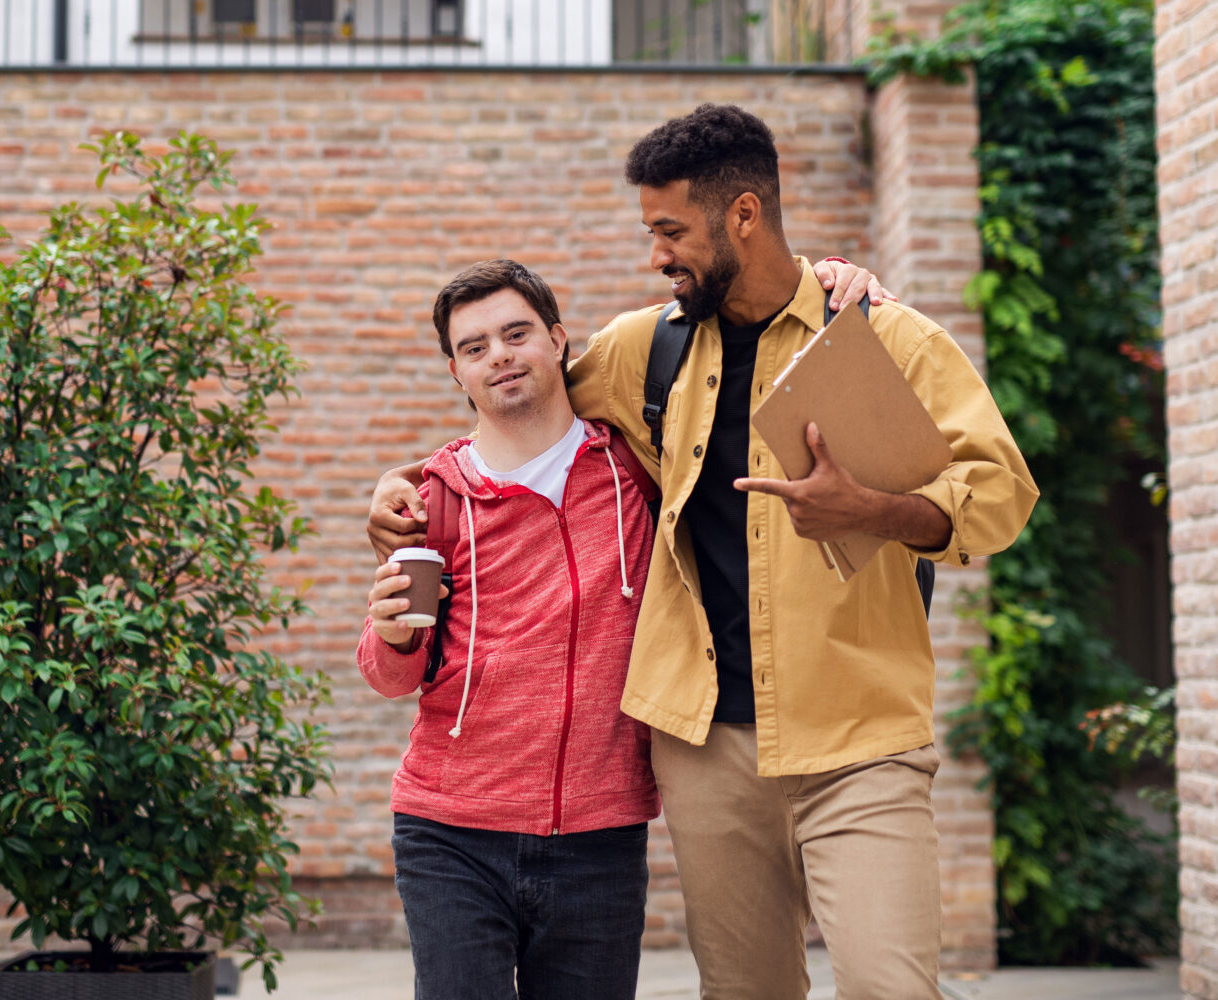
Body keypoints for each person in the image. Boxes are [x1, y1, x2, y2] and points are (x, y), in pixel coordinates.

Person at [368, 104, 1039, 1000]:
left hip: (858, 735)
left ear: (744, 216)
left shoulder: (883, 337)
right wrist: (406, 482)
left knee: (892, 986)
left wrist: (870, 508)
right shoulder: (647, 349)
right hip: (705, 750)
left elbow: (1000, 497)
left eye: (670, 230)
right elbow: (520, 404)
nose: (656, 254)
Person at [358, 259, 660, 1000]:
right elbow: (391, 674)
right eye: (474, 347)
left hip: (600, 834)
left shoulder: (634, 469)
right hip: (450, 832)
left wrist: (840, 278)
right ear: (456, 372)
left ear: (558, 341)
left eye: (516, 333)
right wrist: (393, 632)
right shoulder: (430, 501)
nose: (499, 355)